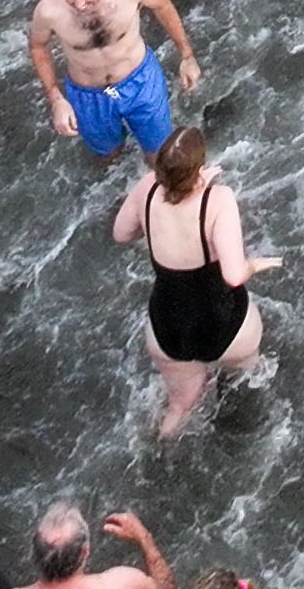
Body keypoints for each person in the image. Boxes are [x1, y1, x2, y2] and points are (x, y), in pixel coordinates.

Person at [113, 130, 262, 430]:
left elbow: (121, 234)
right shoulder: (218, 200)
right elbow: (233, 275)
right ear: (199, 169)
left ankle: (164, 447)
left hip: (167, 330)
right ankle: (237, 427)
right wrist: (255, 265)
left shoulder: (146, 189)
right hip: (226, 327)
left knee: (179, 405)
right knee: (245, 380)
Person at [26, 0, 199, 157]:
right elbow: (38, 46)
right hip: (89, 94)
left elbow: (162, 6)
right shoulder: (48, 11)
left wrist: (187, 55)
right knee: (109, 154)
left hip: (140, 81)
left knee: (161, 154)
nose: (79, 5)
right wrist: (56, 98)